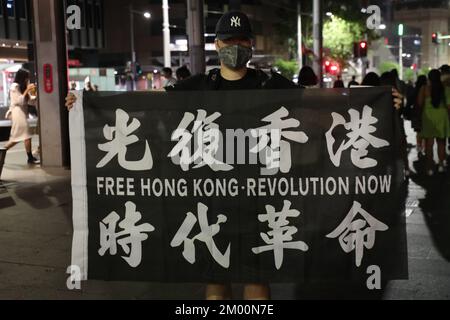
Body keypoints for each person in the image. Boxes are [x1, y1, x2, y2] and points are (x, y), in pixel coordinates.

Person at [65, 11, 403, 300]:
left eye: (242, 41)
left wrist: (381, 103)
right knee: (216, 283)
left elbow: (321, 103)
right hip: (212, 204)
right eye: (228, 41)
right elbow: (147, 103)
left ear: (251, 45)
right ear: (216, 45)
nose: (235, 48)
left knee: (257, 281)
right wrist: (87, 104)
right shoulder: (198, 86)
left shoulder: (272, 85)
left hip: (259, 204)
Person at [417, 69, 450, 175]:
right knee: (441, 143)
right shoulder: (446, 89)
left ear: (429, 78)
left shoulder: (424, 89)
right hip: (442, 116)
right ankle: (441, 165)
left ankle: (429, 168)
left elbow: (419, 103)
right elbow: (448, 106)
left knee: (429, 145)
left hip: (428, 118)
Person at [3, 68, 40, 164]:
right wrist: (27, 90)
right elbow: (19, 101)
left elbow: (30, 101)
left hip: (21, 113)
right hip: (17, 113)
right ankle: (29, 158)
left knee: (24, 136)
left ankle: (30, 158)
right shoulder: (14, 86)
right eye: (26, 78)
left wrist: (34, 93)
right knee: (22, 136)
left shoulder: (21, 87)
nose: (27, 80)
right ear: (22, 77)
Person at [408, 75, 427, 155]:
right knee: (426, 131)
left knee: (418, 131)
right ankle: (425, 147)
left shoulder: (415, 90)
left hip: (416, 113)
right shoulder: (427, 89)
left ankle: (419, 146)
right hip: (426, 113)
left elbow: (410, 101)